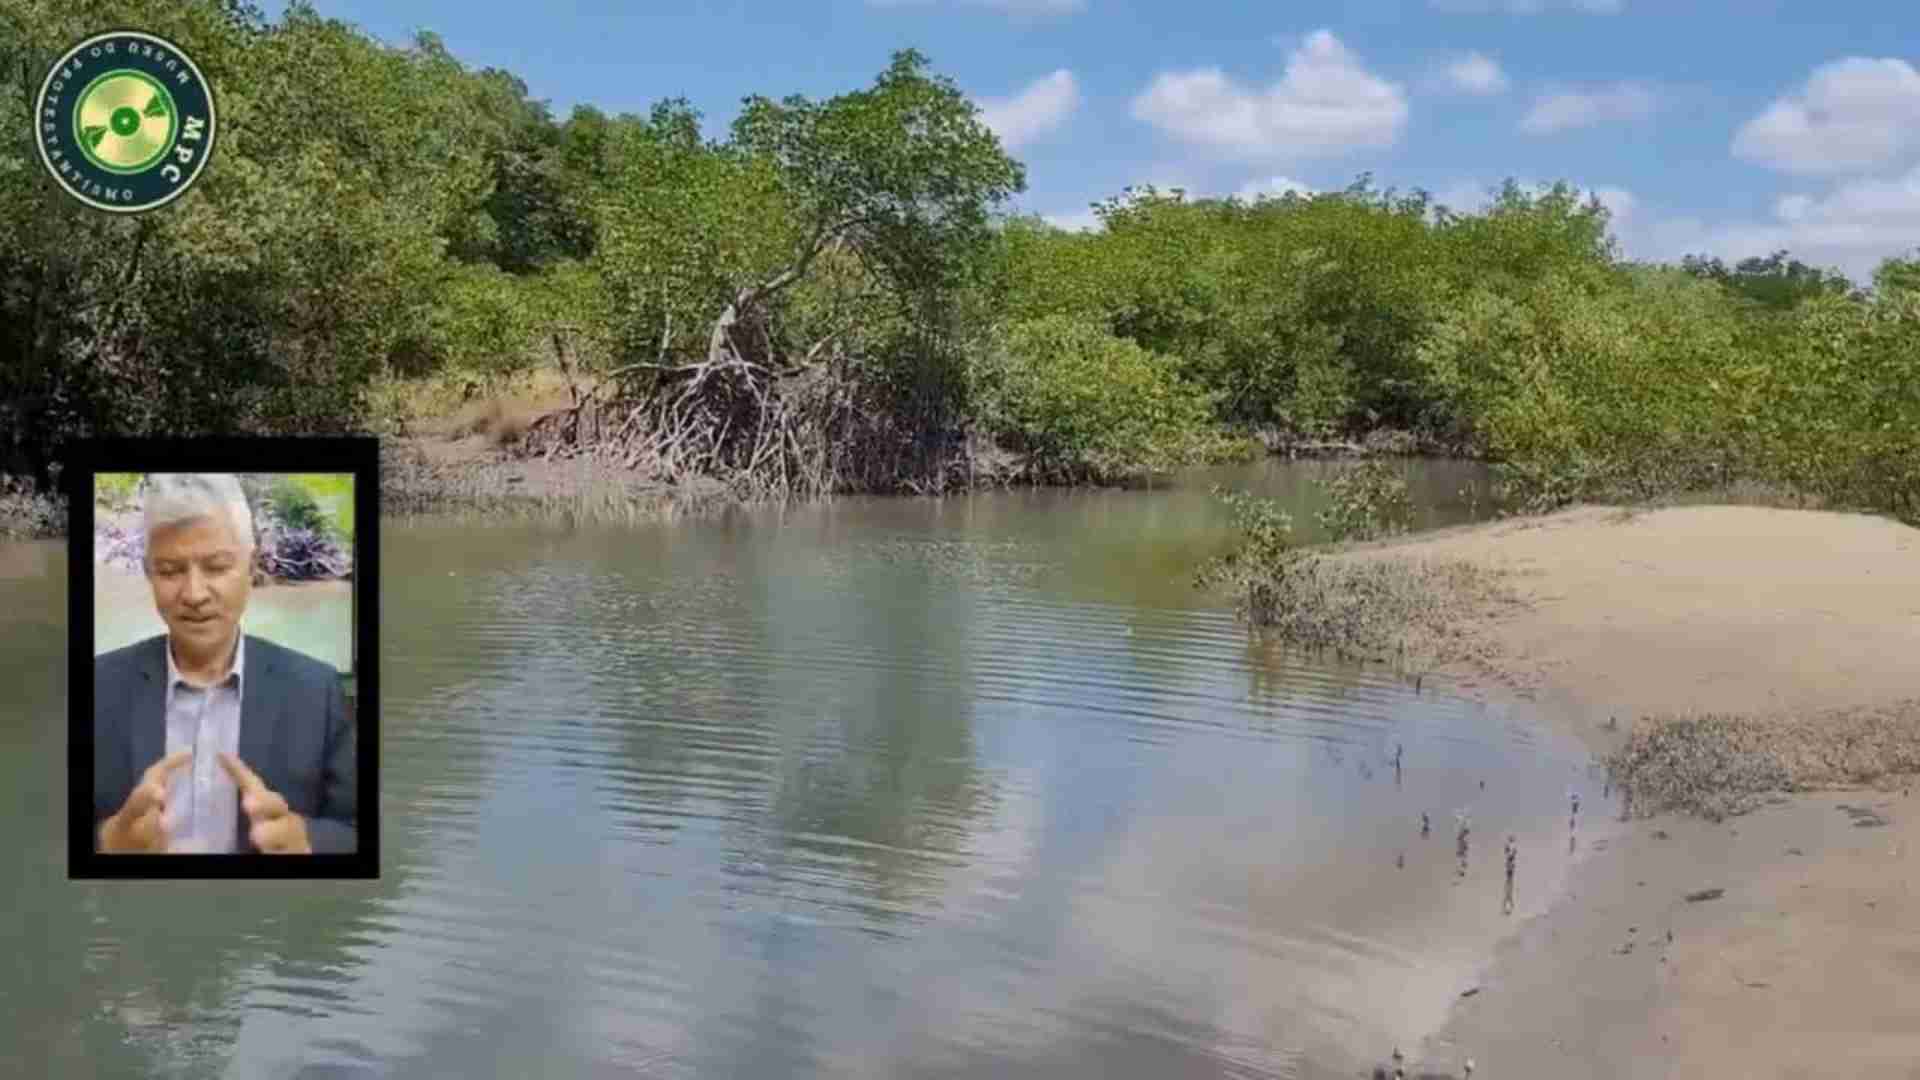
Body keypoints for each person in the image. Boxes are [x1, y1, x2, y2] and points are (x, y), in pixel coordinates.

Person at [93, 473, 356, 854]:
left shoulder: (317, 691)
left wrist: (303, 839)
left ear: (252, 568)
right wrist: (108, 841)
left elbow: (355, 829)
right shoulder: (97, 688)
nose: (194, 594)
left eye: (216, 567)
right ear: (149, 573)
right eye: (170, 571)